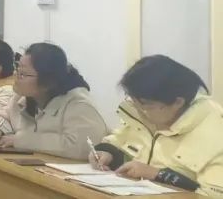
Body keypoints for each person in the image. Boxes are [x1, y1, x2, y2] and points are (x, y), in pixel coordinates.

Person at [90, 55, 223, 197]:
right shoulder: (144, 114)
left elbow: (213, 195)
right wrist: (108, 153)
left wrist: (156, 174)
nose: (139, 110)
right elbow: (120, 140)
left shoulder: (214, 131)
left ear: (177, 102)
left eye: (145, 105)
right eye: (133, 100)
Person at [0, 42, 108, 160]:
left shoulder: (78, 104)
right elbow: (6, 116)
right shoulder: (22, 96)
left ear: (47, 82)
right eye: (17, 69)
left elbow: (83, 147)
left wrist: (22, 140)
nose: (16, 77)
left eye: (23, 74)